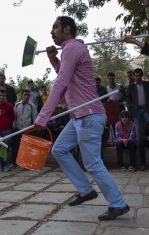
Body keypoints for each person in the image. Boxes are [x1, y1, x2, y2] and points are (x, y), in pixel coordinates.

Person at [34, 16, 129, 221]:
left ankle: (118, 203)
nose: (52, 32)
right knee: (59, 149)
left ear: (67, 29)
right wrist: (53, 60)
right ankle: (86, 190)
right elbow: (69, 78)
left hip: (89, 115)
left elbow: (61, 84)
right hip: (79, 116)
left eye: (55, 27)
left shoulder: (71, 48)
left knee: (93, 163)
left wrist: (43, 115)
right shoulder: (70, 49)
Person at [126, 68, 149, 171]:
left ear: (142, 76)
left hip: (146, 110)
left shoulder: (147, 84)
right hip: (137, 113)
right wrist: (132, 108)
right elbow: (127, 99)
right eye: (136, 76)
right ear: (134, 76)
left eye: (139, 75)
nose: (138, 77)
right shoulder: (131, 86)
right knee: (139, 138)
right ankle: (143, 163)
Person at [12, 89, 38, 166]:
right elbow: (14, 117)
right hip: (17, 128)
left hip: (27, 129)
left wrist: (34, 127)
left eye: (28, 95)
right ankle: (15, 162)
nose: (26, 96)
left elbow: (35, 117)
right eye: (25, 94)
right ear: (22, 95)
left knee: (27, 147)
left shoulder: (32, 106)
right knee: (16, 146)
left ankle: (27, 162)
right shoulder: (17, 105)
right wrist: (13, 126)